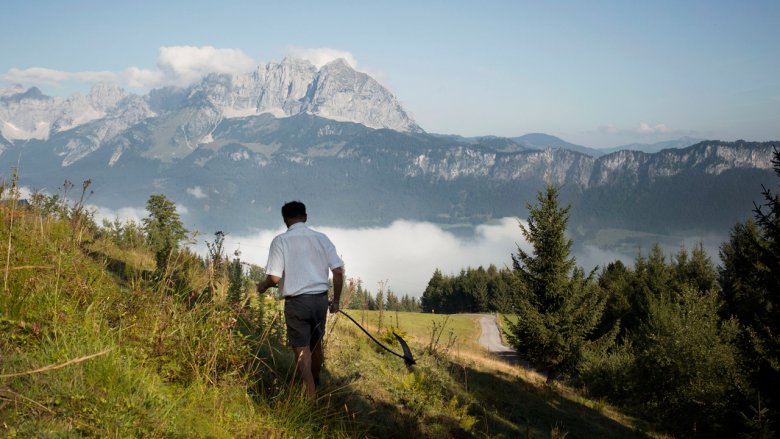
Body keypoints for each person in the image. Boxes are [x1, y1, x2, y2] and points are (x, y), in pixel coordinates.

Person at [256, 201, 344, 398]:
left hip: (297, 302)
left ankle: (309, 393)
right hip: (320, 300)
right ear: (305, 217)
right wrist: (335, 301)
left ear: (285, 220)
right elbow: (337, 271)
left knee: (300, 347)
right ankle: (316, 382)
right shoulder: (322, 238)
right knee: (316, 343)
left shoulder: (280, 241)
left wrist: (262, 286)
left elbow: (274, 278)